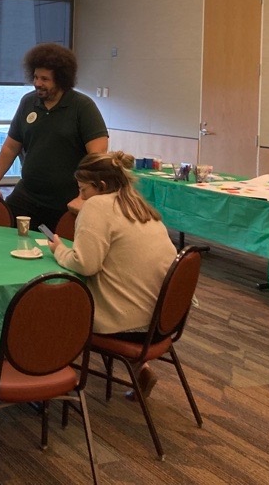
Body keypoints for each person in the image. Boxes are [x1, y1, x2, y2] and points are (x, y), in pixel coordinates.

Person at [46, 151, 177, 400]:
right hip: (163, 322)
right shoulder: (138, 205)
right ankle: (140, 369)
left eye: (83, 190)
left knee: (53, 305)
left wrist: (59, 250)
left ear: (102, 186)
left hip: (128, 325)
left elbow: (85, 265)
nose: (81, 197)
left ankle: (43, 376)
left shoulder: (98, 206)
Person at [0, 42, 108, 230]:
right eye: (35, 77)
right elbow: (10, 147)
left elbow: (98, 156)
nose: (37, 83)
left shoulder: (82, 106)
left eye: (45, 79)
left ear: (61, 80)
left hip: (67, 199)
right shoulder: (28, 102)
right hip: (28, 194)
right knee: (3, 233)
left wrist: (83, 197)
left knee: (57, 246)